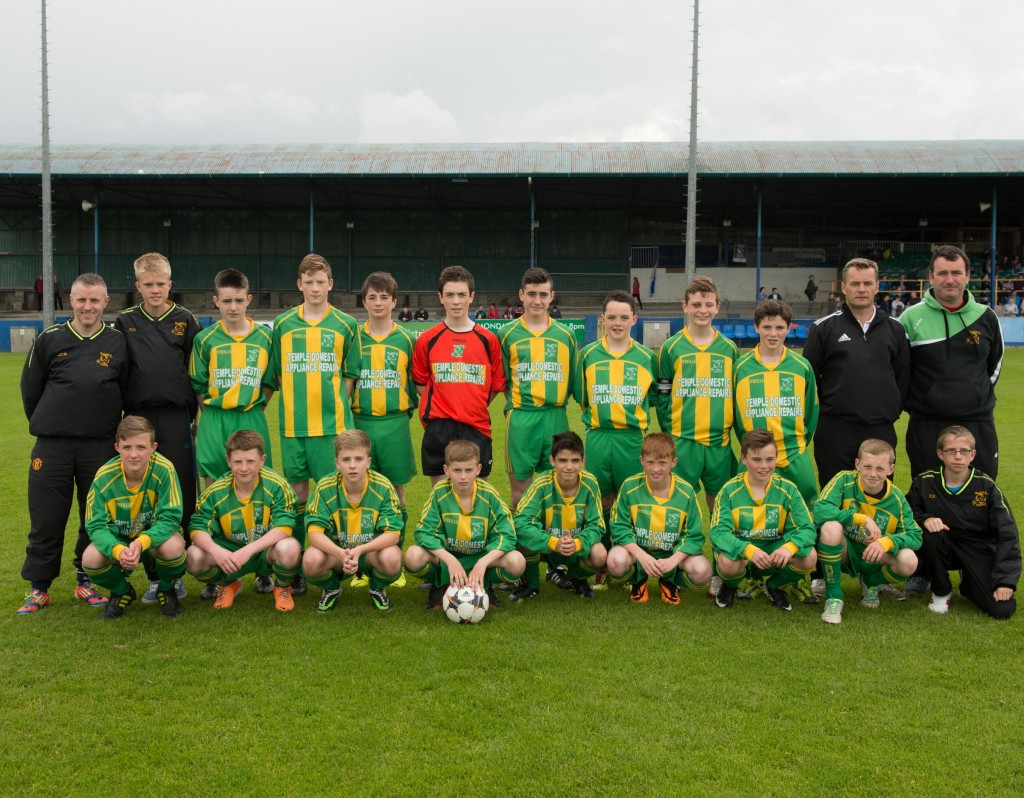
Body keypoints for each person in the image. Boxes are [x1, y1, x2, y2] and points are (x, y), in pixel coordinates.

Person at [18, 272, 129, 615]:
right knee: (46, 517)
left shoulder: (117, 342)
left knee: (92, 517)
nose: (87, 306)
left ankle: (85, 580)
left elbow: (124, 390)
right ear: (70, 300)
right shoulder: (50, 338)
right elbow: (30, 392)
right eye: (81, 299)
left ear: (105, 303)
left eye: (95, 300)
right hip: (53, 447)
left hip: (99, 446)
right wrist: (54, 424)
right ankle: (39, 588)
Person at [264, 254, 359, 597]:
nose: (315, 288)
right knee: (298, 497)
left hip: (332, 430)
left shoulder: (346, 325)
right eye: (309, 282)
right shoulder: (284, 324)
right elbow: (277, 374)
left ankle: (333, 565)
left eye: (321, 282)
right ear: (299, 284)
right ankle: (301, 563)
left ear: (330, 284)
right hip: (293, 428)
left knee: (333, 497)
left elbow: (348, 379)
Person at [113, 252, 201, 605]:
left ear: (170, 285)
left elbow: (196, 371)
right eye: (147, 285)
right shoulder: (124, 321)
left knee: (180, 491)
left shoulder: (185, 319)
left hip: (176, 417)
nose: (154, 290)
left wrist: (198, 414)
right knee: (144, 494)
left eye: (160, 284)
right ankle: (153, 576)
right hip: (138, 419)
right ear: (138, 287)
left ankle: (176, 571)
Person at [900, 245, 1003, 484]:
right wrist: (920, 401)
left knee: (982, 489)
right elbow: (901, 371)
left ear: (967, 276)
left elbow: (995, 363)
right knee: (927, 492)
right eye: (942, 273)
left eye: (956, 273)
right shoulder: (910, 318)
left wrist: (975, 393)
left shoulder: (986, 317)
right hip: (927, 421)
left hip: (977, 419)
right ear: (931, 277)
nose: (950, 280)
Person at [802, 258, 909, 490]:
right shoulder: (823, 328)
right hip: (836, 428)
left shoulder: (895, 329)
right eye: (855, 283)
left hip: (880, 427)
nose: (862, 289)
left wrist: (888, 410)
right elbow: (809, 380)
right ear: (843, 287)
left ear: (877, 286)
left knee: (877, 495)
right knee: (834, 496)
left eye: (868, 283)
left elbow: (903, 377)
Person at [906, 426, 1019, 619]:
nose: (958, 456)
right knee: (930, 534)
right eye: (951, 450)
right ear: (940, 454)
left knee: (1002, 610)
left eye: (964, 451)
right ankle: (941, 590)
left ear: (972, 454)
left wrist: (1005, 581)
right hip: (938, 545)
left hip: (975, 547)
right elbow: (906, 513)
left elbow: (1007, 534)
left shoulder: (987, 487)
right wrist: (925, 519)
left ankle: (969, 583)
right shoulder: (924, 481)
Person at [81, 416, 186, 619]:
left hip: (152, 538)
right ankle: (121, 591)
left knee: (174, 547)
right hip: (120, 539)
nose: (134, 454)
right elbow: (95, 525)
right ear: (117, 447)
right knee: (90, 558)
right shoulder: (104, 476)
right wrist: (118, 549)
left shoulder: (165, 469)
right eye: (127, 447)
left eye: (141, 447)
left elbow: (170, 518)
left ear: (153, 447)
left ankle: (166, 590)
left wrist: (142, 542)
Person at [185, 429, 300, 613]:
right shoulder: (216, 491)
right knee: (193, 556)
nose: (244, 468)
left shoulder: (277, 485)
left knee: (290, 547)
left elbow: (284, 527)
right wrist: (217, 551)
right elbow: (197, 528)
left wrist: (249, 550)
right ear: (228, 461)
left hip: (264, 551)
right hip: (230, 552)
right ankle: (228, 584)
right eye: (238, 461)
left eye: (250, 461)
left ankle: (283, 587)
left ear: (262, 460)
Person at [350, 272, 417, 584]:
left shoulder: (406, 339)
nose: (378, 302)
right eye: (372, 297)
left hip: (394, 423)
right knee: (358, 494)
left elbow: (415, 382)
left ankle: (396, 561)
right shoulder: (353, 336)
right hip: (360, 422)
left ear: (394, 301)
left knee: (396, 494)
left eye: (384, 297)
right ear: (364, 301)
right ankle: (361, 565)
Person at [412, 265, 506, 483]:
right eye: (450, 295)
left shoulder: (488, 339)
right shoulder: (427, 339)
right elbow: (420, 383)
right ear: (440, 297)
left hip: (476, 426)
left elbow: (494, 386)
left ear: (471, 297)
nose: (456, 301)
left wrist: (471, 405)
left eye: (462, 294)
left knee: (477, 496)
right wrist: (446, 406)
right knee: (440, 496)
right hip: (439, 427)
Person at [404, 439, 525, 608]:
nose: (463, 476)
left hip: (481, 557)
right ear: (446, 470)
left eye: (468, 470)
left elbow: (508, 535)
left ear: (478, 469)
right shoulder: (439, 493)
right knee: (413, 556)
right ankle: (440, 584)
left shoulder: (489, 495)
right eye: (457, 470)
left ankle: (485, 583)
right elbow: (423, 532)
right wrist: (450, 560)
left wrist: (482, 563)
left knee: (517, 562)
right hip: (448, 558)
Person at [814, 439, 921, 624]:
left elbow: (915, 536)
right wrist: (861, 519)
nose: (872, 474)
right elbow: (820, 510)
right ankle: (834, 597)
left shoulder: (896, 499)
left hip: (874, 556)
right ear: (857, 464)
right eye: (867, 466)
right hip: (847, 551)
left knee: (909, 560)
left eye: (880, 469)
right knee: (831, 527)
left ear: (891, 469)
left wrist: (886, 542)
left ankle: (872, 583)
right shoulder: (844, 480)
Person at [497, 268, 578, 510]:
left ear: (552, 296)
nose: (537, 300)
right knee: (520, 492)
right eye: (531, 294)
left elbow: (572, 380)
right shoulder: (506, 334)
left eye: (543, 294)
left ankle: (551, 546)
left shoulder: (566, 335)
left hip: (556, 416)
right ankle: (523, 547)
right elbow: (503, 381)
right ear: (521, 295)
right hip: (522, 417)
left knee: (558, 487)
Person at [710, 430, 817, 611]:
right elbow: (718, 531)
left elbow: (807, 528)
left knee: (809, 557)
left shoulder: (788, 490)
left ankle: (774, 585)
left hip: (774, 551)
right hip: (744, 551)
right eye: (756, 459)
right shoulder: (729, 491)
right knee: (727, 563)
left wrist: (787, 548)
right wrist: (748, 550)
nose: (764, 466)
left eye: (770, 459)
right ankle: (731, 584)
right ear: (744, 459)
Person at [657, 275, 739, 513]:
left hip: (718, 443)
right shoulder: (671, 348)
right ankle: (679, 549)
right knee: (678, 502)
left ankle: (719, 549)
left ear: (717, 307)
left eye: (708, 304)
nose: (702, 310)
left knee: (721, 503)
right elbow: (663, 395)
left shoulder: (729, 349)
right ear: (685, 306)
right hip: (683, 441)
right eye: (696, 305)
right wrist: (671, 431)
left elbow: (735, 397)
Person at [575, 290, 658, 518]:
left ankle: (629, 551)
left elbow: (653, 397)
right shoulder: (589, 354)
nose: (617, 323)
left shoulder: (647, 357)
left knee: (631, 497)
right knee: (599, 497)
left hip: (631, 438)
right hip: (598, 437)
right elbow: (583, 397)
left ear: (634, 319)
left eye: (623, 318)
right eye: (611, 317)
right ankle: (602, 549)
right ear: (603, 319)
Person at [302, 430, 405, 613]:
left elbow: (393, 535)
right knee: (311, 560)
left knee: (393, 557)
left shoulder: (383, 486)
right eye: (346, 459)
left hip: (370, 553)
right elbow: (314, 533)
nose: (352, 466)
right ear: (337, 463)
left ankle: (377, 587)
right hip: (337, 553)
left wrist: (360, 550)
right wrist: (341, 553)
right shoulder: (325, 487)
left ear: (368, 462)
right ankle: (332, 587)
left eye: (358, 459)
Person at [190, 268, 274, 487]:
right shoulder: (204, 339)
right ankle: (214, 522)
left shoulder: (266, 338)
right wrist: (211, 415)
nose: (233, 307)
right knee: (213, 475)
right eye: (227, 301)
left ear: (249, 299)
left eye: (239, 300)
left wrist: (254, 407)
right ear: (216, 301)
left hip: (251, 415)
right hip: (214, 416)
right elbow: (198, 384)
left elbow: (269, 383)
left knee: (256, 475)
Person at [606, 433, 712, 605]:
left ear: (673, 462)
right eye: (650, 462)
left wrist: (672, 561)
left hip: (671, 553)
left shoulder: (686, 492)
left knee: (703, 572)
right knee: (615, 561)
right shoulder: (629, 487)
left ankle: (671, 582)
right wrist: (642, 556)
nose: (656, 469)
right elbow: (619, 527)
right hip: (639, 551)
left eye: (662, 463)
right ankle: (637, 581)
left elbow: (694, 536)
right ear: (642, 460)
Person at [733, 299, 819, 508]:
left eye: (780, 327)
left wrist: (797, 443)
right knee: (746, 508)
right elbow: (737, 417)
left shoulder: (802, 366)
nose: (773, 333)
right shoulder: (740, 367)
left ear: (788, 328)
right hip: (754, 454)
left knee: (806, 508)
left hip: (794, 453)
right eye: (767, 327)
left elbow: (811, 412)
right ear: (756, 327)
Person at [511, 432, 606, 601]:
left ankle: (576, 577)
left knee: (599, 554)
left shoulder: (590, 483)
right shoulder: (542, 483)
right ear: (552, 461)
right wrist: (552, 542)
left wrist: (578, 543)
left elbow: (597, 525)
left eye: (575, 461)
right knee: (524, 537)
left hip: (573, 546)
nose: (569, 467)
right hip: (546, 545)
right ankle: (531, 585)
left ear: (583, 461)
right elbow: (520, 521)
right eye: (563, 460)